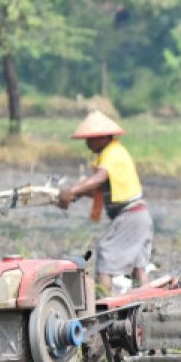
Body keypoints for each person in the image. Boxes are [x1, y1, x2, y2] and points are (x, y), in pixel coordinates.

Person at [57, 110, 153, 292]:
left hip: (130, 215)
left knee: (105, 252)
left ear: (104, 137)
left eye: (91, 138)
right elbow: (104, 192)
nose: (87, 143)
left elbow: (100, 178)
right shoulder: (112, 153)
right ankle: (147, 303)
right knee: (138, 267)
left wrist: (73, 190)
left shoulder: (113, 153)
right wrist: (78, 193)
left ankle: (104, 302)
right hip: (139, 215)